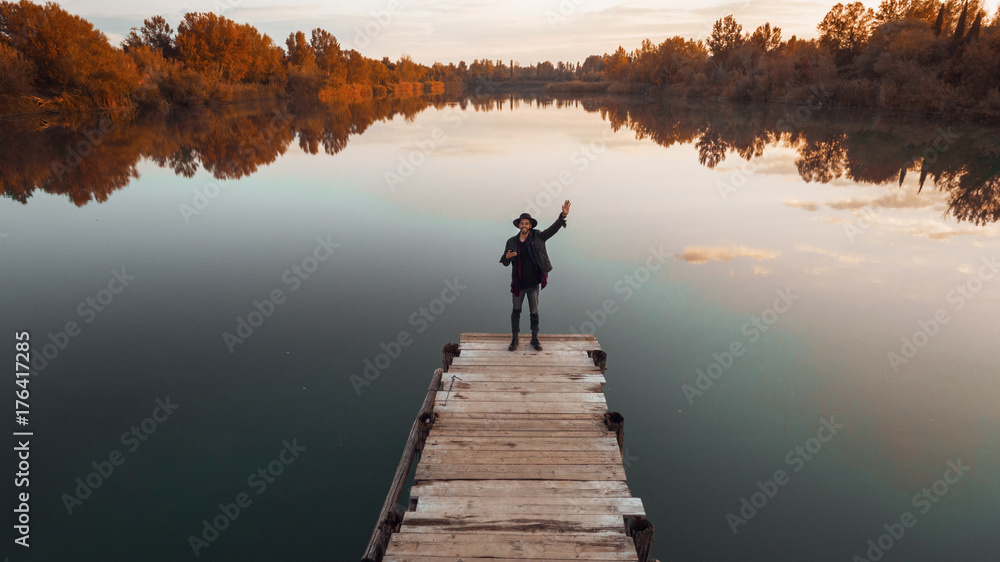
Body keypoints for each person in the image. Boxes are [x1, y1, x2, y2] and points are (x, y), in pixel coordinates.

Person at [499, 200, 571, 351]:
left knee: (534, 312)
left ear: (530, 225)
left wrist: (562, 215)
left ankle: (534, 339)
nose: (524, 226)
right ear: (519, 225)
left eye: (527, 223)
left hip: (533, 285)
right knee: (516, 311)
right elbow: (505, 262)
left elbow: (552, 230)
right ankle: (514, 339)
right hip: (518, 284)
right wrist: (507, 257)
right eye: (522, 223)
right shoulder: (511, 242)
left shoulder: (538, 237)